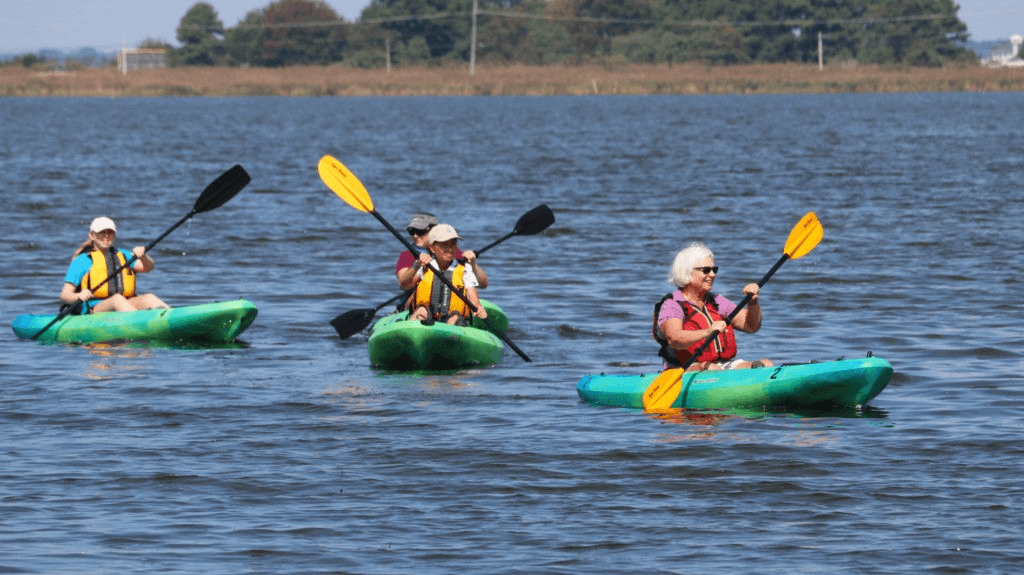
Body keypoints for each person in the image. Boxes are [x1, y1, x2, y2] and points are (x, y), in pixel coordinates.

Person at [653, 241, 772, 371]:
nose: (713, 275)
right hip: (682, 369)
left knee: (765, 364)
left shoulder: (717, 302)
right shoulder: (672, 305)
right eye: (706, 270)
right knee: (711, 368)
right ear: (687, 272)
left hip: (720, 366)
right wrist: (708, 331)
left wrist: (753, 303)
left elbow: (751, 326)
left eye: (714, 269)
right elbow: (674, 339)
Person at [59, 216, 169, 314]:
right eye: (102, 232)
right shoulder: (83, 260)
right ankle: (143, 325)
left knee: (149, 298)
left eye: (110, 232)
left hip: (124, 303)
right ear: (92, 235)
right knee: (117, 299)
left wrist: (143, 256)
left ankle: (170, 319)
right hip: (94, 308)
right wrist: (79, 296)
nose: (106, 236)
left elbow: (148, 267)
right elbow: (65, 296)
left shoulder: (123, 255)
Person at [407, 224, 488, 325]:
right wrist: (416, 265)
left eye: (453, 243)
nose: (450, 249)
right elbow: (406, 285)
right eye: (444, 244)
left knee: (454, 318)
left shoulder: (465, 269)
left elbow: (474, 299)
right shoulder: (423, 265)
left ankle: (453, 335)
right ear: (432, 248)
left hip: (453, 318)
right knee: (421, 312)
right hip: (426, 316)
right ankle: (415, 329)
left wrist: (478, 308)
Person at [395, 212, 487, 291]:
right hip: (416, 301)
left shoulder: (451, 252)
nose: (415, 236)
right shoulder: (407, 255)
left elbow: (483, 285)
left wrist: (473, 264)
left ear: (433, 230)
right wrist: (417, 265)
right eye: (412, 231)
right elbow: (403, 286)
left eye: (420, 231)